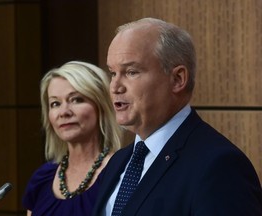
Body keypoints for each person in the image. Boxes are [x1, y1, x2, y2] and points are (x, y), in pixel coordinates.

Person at [92, 17, 262, 215]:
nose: (115, 87)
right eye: (113, 73)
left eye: (131, 72)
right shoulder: (118, 162)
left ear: (178, 79)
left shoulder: (219, 165)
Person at [22, 61, 122, 215]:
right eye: (55, 103)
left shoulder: (122, 172)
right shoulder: (42, 179)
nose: (64, 112)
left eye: (76, 100)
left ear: (100, 106)